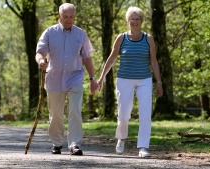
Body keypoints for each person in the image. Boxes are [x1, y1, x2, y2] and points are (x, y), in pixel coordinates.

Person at [97, 6, 163, 157]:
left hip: (144, 79)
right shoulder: (121, 38)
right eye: (132, 19)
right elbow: (112, 58)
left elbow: (153, 61)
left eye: (137, 18)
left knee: (145, 113)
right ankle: (121, 138)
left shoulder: (148, 39)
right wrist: (101, 77)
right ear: (127, 21)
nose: (134, 21)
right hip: (124, 79)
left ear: (141, 21)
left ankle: (143, 147)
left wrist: (159, 82)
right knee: (124, 114)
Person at [35, 3, 99, 156]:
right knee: (56, 113)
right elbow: (39, 52)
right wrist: (40, 61)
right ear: (59, 17)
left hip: (75, 77)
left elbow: (87, 58)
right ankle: (57, 143)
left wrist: (92, 78)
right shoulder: (49, 33)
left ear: (74, 17)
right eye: (65, 17)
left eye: (71, 17)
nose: (69, 20)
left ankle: (75, 144)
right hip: (54, 79)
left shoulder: (80, 34)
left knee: (75, 111)